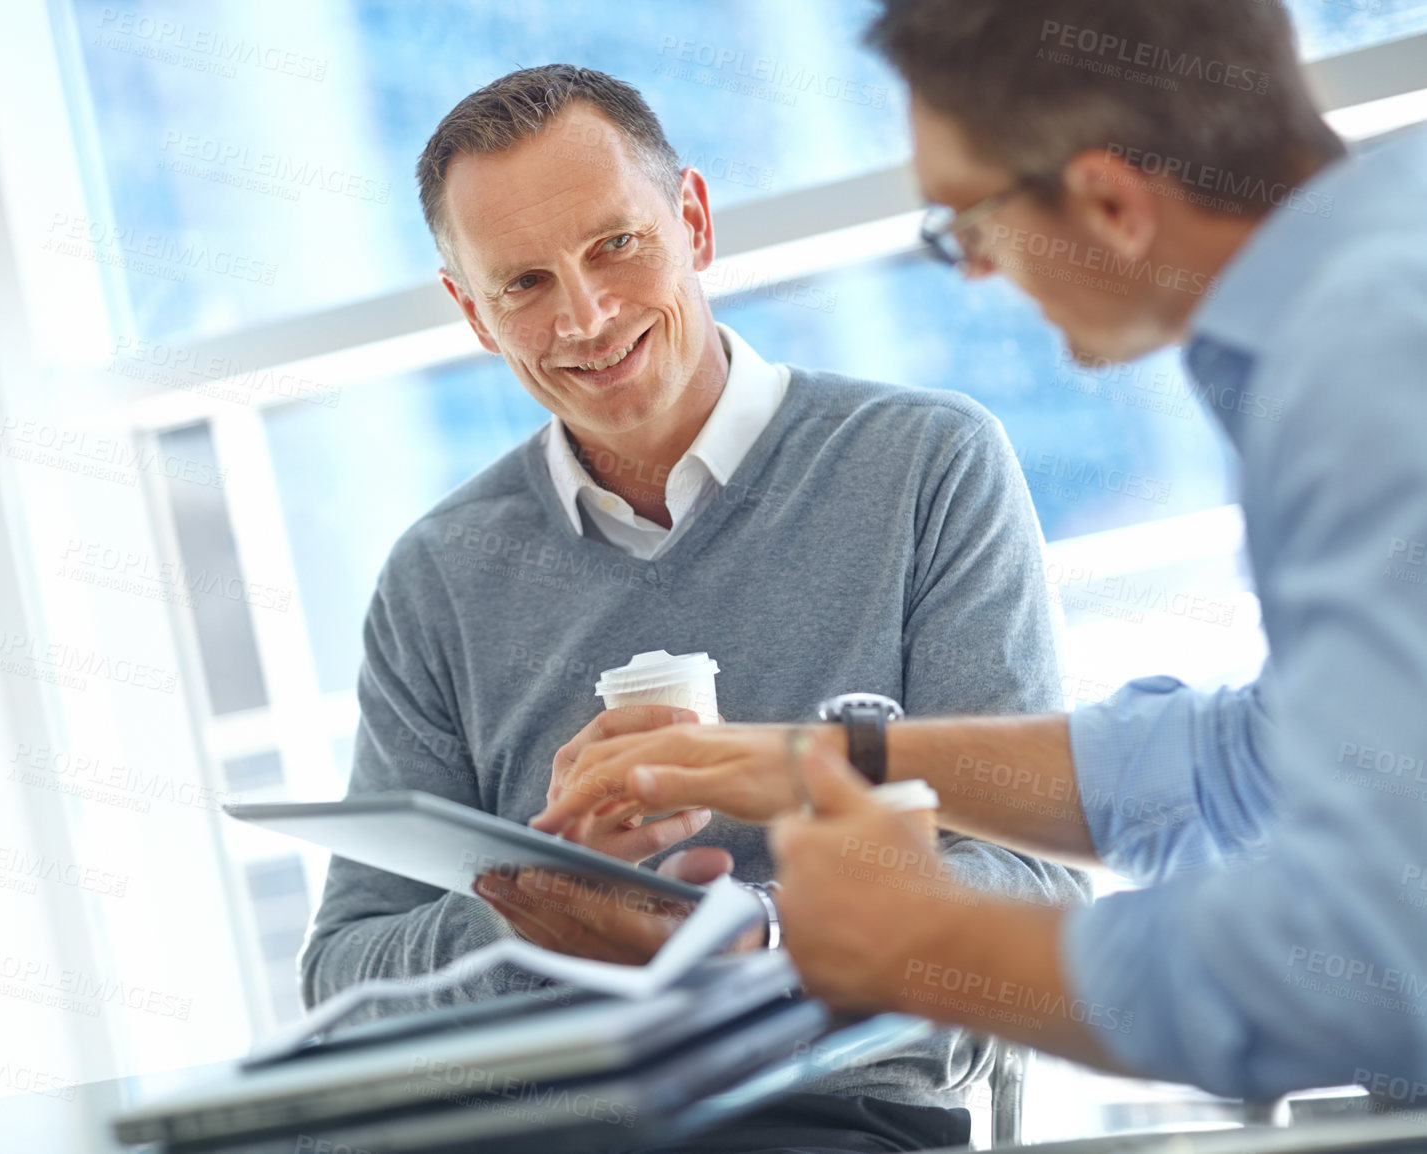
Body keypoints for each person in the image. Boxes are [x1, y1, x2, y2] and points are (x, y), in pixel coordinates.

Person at [534, 0, 1427, 1100]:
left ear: (1106, 201)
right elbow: (1259, 758)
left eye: (970, 221)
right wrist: (827, 762)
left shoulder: (1369, 378)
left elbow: (1371, 963)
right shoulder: (1367, 291)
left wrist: (930, 946)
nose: (972, 271)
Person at [301, 64, 1088, 1152]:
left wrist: (762, 935)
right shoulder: (439, 575)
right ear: (473, 315)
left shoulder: (923, 466)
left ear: (694, 222)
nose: (585, 315)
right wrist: (529, 904)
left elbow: (1036, 883)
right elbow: (344, 971)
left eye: (614, 244)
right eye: (522, 283)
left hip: (824, 1111)